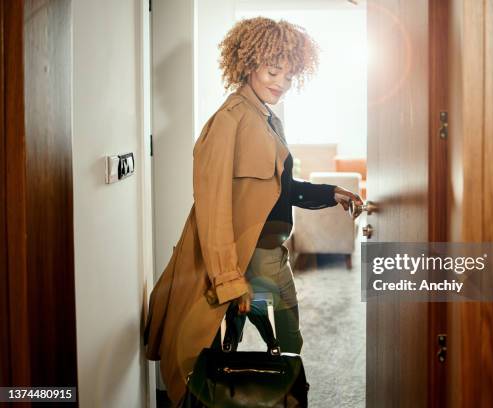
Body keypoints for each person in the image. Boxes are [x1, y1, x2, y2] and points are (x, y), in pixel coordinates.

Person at [144, 16, 362, 405]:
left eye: (289, 76)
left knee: (289, 336)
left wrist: (332, 193)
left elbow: (283, 188)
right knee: (207, 354)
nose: (281, 83)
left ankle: (280, 394)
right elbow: (212, 208)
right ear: (247, 65)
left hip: (269, 250)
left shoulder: (266, 117)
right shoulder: (229, 121)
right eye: (272, 71)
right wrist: (229, 279)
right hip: (240, 254)